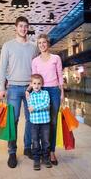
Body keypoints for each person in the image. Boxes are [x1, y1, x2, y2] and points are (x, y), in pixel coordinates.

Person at [0, 16, 38, 168]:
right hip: (13, 87)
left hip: (30, 89)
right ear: (15, 27)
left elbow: (36, 68)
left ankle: (27, 147)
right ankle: (12, 152)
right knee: (13, 121)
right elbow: (2, 68)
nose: (23, 28)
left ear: (28, 28)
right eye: (20, 26)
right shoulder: (7, 46)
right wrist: (2, 88)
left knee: (31, 120)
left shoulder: (33, 47)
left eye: (25, 26)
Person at [27, 34, 64, 165]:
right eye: (40, 43)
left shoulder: (56, 58)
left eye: (44, 42)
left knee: (52, 123)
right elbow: (34, 79)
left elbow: (60, 76)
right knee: (40, 124)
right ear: (38, 45)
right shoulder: (35, 61)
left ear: (48, 43)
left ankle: (51, 152)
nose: (42, 45)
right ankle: (42, 151)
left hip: (54, 91)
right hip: (40, 91)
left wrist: (62, 93)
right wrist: (28, 90)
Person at [27, 74, 52, 170]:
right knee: (35, 141)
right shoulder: (30, 96)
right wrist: (39, 106)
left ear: (42, 84)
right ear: (31, 84)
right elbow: (30, 108)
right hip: (34, 123)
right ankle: (36, 159)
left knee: (46, 141)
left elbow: (46, 104)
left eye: (39, 83)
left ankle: (46, 158)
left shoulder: (45, 93)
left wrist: (35, 107)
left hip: (45, 122)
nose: (36, 85)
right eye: (34, 83)